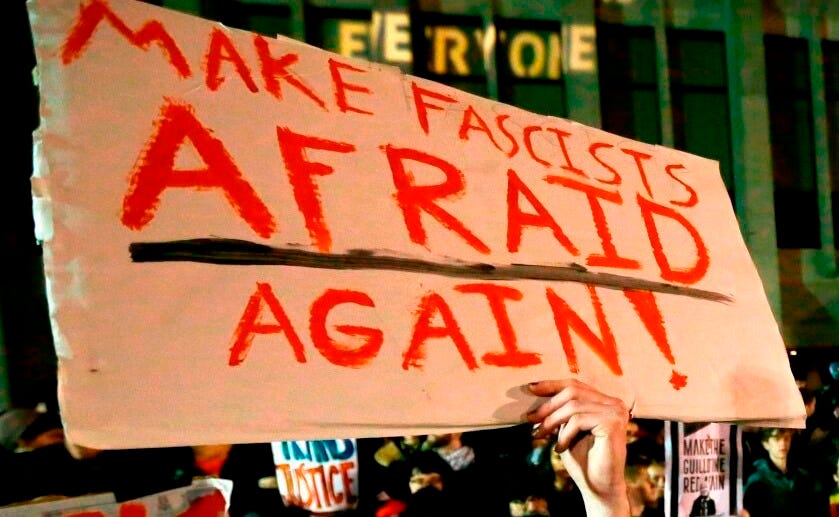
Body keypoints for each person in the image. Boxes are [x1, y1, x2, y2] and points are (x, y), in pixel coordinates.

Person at [526, 378, 631, 517]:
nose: (562, 463)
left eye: (559, 456)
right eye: (558, 457)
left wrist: (609, 498)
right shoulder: (543, 489)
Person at [743, 427, 829, 517]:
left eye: (786, 438)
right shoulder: (757, 480)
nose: (783, 443)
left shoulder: (802, 476)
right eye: (776, 438)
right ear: (766, 444)